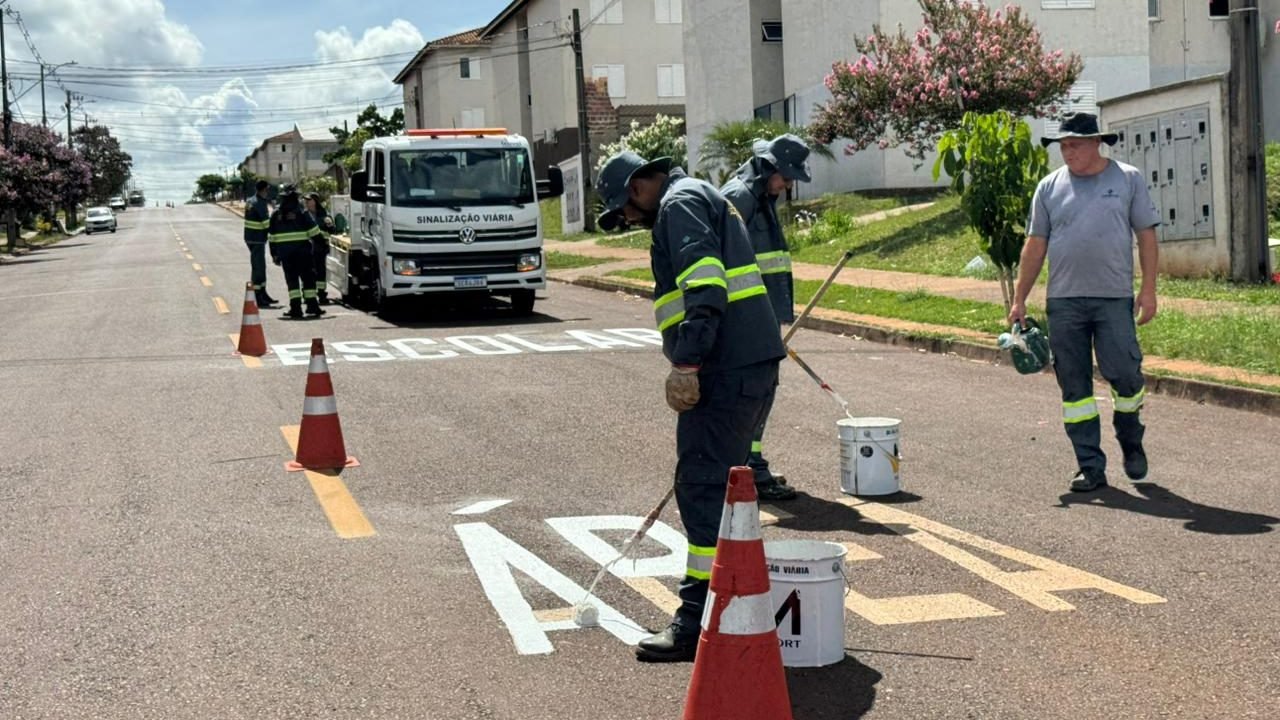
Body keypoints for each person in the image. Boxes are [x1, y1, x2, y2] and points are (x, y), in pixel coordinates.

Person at [595, 151, 786, 662]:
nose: (633, 222)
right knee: (719, 488)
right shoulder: (700, 195)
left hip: (723, 371)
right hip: (746, 367)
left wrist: (686, 363)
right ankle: (733, 603)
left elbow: (705, 288)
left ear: (637, 188)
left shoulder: (678, 205)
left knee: (702, 490)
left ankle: (697, 618)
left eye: (628, 212)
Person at [1009, 112, 1161, 493]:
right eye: (1062, 145)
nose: (1067, 152)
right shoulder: (1048, 187)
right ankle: (1090, 466)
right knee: (1074, 388)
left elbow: (1146, 235)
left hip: (1113, 299)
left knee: (1125, 374)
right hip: (1064, 302)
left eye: (1074, 144)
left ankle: (1130, 438)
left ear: (1097, 143)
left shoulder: (1127, 179)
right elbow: (1035, 245)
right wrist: (1019, 298)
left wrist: (1149, 289)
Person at [720, 134, 814, 502]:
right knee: (752, 393)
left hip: (762, 315)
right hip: (745, 318)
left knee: (764, 391)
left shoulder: (761, 196)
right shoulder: (739, 197)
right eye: (786, 177)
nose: (788, 185)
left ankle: (751, 463)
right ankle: (746, 468)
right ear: (768, 169)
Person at [267, 185, 324, 319]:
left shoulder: (276, 214)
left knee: (292, 282)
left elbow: (271, 237)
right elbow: (314, 231)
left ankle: (296, 308)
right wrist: (322, 244)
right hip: (303, 253)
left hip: (286, 254)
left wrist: (274, 254)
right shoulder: (302, 212)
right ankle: (312, 306)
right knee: (308, 280)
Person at [243, 180, 277, 307]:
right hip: (257, 238)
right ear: (264, 190)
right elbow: (266, 223)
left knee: (260, 266)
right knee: (259, 267)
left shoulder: (251, 200)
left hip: (252, 238)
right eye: (267, 189)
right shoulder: (259, 203)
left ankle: (263, 293)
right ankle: (258, 296)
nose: (268, 192)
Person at [304, 192, 336, 305]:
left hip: (320, 249)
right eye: (306, 200)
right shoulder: (304, 215)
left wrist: (330, 225)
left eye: (309, 200)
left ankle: (322, 294)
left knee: (320, 272)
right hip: (307, 248)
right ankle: (307, 295)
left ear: (315, 201)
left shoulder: (324, 215)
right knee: (308, 272)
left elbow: (332, 231)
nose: (306, 202)